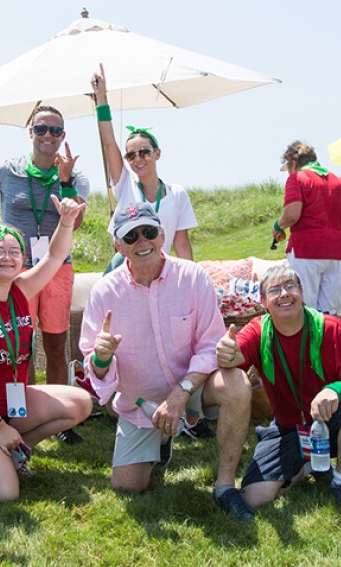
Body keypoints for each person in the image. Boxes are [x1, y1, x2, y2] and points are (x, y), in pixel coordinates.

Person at [79, 203, 254, 521]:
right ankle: (161, 443)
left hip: (194, 386)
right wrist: (102, 358)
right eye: (131, 236)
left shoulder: (192, 276)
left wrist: (181, 393)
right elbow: (96, 370)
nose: (142, 241)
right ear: (118, 245)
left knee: (237, 385)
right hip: (140, 402)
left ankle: (226, 486)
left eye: (148, 232)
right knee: (127, 488)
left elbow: (210, 345)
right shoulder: (104, 292)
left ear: (162, 235)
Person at [0, 196, 93, 501]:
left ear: (23, 258)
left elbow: (54, 256)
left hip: (12, 405)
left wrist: (65, 221)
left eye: (14, 251)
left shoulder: (21, 289)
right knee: (3, 494)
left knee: (81, 403)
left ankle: (11, 451)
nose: (7, 257)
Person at [0, 105, 89, 444]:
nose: (48, 136)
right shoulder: (7, 169)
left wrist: (66, 181)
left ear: (63, 136)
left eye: (55, 131)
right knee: (15, 343)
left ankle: (55, 418)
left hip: (55, 267)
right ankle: (9, 414)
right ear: (31, 132)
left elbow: (78, 221)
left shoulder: (75, 176)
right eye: (41, 129)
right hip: (12, 268)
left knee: (56, 344)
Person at [215, 266, 341, 511]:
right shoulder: (259, 330)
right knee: (253, 497)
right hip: (288, 429)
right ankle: (305, 464)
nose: (284, 294)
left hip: (332, 422)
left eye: (291, 286)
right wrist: (227, 353)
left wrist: (334, 391)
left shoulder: (331, 328)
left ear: (302, 292)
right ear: (263, 301)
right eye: (275, 290)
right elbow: (234, 358)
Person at [91, 64, 198, 271]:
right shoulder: (125, 183)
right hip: (126, 268)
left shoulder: (177, 195)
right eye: (131, 155)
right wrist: (101, 98)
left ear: (157, 154)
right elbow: (109, 143)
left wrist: (191, 279)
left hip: (160, 270)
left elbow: (182, 243)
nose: (138, 159)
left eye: (144, 152)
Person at [272, 141, 341, 316]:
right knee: (331, 314)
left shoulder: (297, 178)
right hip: (339, 251)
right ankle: (328, 343)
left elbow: (292, 214)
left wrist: (278, 225)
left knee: (305, 309)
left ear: (293, 163)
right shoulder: (339, 182)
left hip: (308, 250)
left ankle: (308, 344)